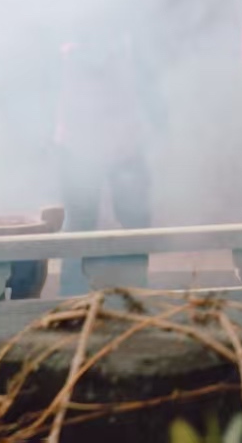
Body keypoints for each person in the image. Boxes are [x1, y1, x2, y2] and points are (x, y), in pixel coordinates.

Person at [56, 30, 158, 295]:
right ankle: (71, 300)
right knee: (79, 226)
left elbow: (152, 98)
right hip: (78, 149)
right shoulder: (65, 53)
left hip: (126, 147)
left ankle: (137, 296)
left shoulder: (131, 47)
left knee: (135, 222)